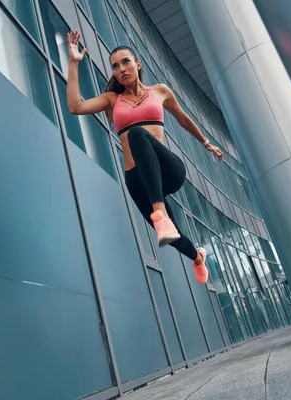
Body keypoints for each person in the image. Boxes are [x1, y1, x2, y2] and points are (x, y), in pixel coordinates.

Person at [66, 30, 223, 284]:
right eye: (115, 67)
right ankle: (198, 257)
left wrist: (206, 143)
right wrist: (73, 63)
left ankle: (159, 210)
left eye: (126, 62)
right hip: (138, 180)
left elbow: (182, 119)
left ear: (138, 64)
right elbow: (76, 107)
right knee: (171, 236)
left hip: (167, 171)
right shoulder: (111, 100)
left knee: (137, 135)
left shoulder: (159, 91)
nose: (121, 69)